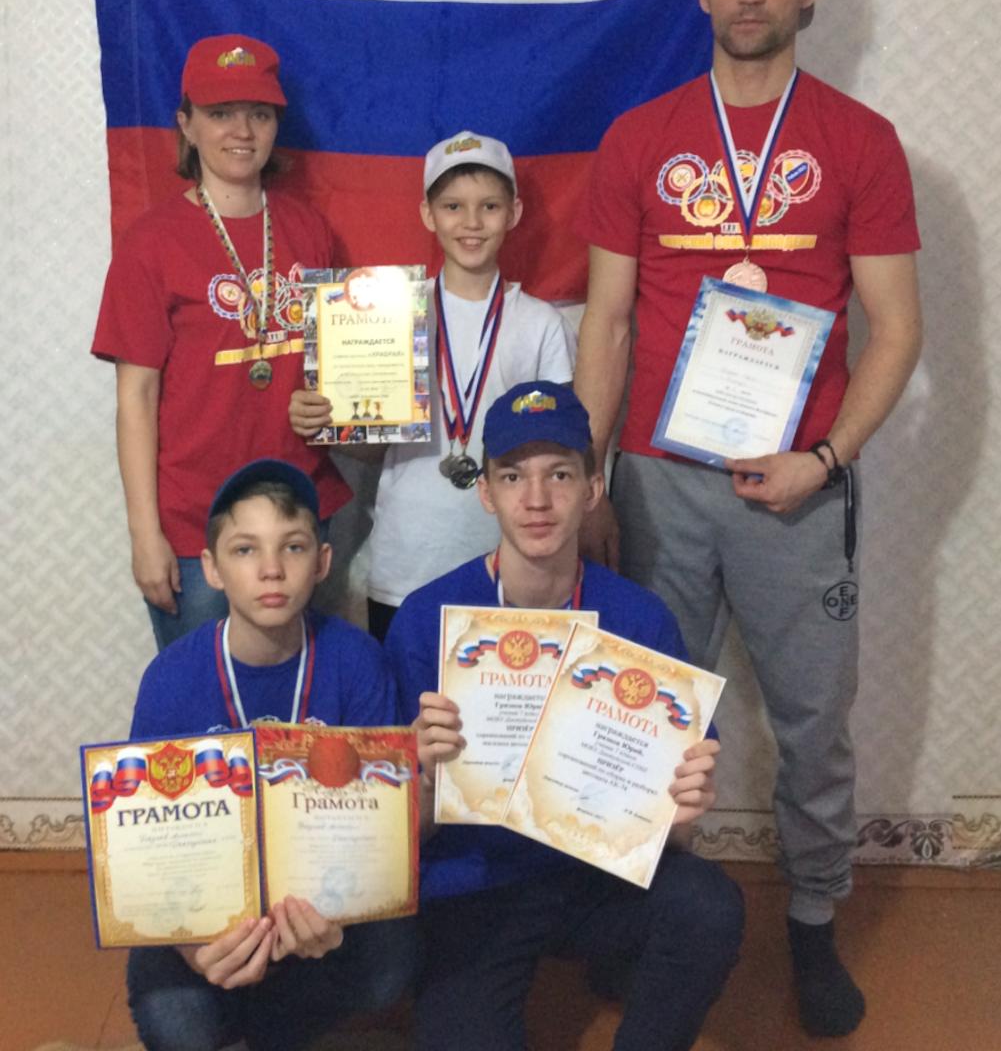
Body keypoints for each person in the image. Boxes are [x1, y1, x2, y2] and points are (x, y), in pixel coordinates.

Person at [573, 0, 922, 1038]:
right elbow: (606, 322)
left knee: (812, 723)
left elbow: (896, 328)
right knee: (645, 712)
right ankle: (645, 915)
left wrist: (825, 456)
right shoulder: (639, 136)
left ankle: (811, 921)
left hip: (795, 487)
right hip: (658, 478)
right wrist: (586, 478)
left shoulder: (858, 140)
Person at [387, 381, 744, 1051]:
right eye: (512, 476)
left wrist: (681, 810)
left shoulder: (639, 619)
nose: (536, 499)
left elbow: (672, 836)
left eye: (559, 474)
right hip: (475, 883)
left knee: (708, 908)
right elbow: (402, 835)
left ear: (592, 489)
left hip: (595, 875)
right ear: (485, 492)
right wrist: (424, 777)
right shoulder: (425, 619)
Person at [126, 458, 413, 1050]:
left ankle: (274, 1019)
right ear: (212, 568)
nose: (272, 569)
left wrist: (337, 915)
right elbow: (145, 848)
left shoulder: (358, 661)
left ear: (322, 562)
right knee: (176, 1024)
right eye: (245, 550)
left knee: (392, 965)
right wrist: (191, 946)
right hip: (209, 906)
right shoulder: (169, 678)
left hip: (316, 898)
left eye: (294, 547)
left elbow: (377, 829)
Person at [92, 34, 351, 650]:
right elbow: (136, 398)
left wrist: (330, 411)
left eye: (259, 113)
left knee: (302, 693)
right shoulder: (151, 242)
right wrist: (144, 534)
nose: (242, 131)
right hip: (196, 525)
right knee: (207, 698)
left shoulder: (309, 229)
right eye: (220, 112)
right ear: (186, 124)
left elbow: (340, 369)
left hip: (299, 512)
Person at [290, 132, 576, 641]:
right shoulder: (385, 313)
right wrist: (328, 424)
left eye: (489, 206)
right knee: (406, 694)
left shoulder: (541, 324)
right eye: (453, 206)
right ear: (428, 214)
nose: (471, 222)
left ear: (514, 213)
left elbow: (559, 450)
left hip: (509, 562)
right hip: (408, 562)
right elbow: (373, 449)